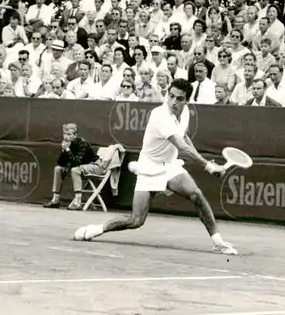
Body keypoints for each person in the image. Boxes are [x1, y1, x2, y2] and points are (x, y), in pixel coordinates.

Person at [74, 78, 238, 255]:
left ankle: (218, 242)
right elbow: (181, 146)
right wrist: (208, 166)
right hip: (149, 167)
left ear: (186, 101)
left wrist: (205, 161)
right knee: (136, 220)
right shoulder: (159, 115)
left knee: (196, 194)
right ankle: (98, 228)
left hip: (170, 166)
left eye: (179, 99)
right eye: (171, 96)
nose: (174, 102)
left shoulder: (185, 113)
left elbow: (185, 138)